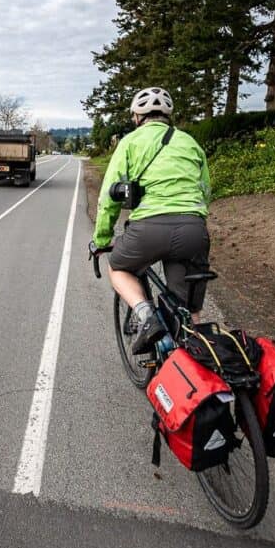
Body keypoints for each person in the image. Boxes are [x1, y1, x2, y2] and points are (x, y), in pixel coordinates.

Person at [91, 87, 211, 354]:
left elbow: (109, 195)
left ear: (137, 116)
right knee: (188, 311)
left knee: (118, 267)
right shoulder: (190, 142)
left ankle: (147, 318)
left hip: (148, 230)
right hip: (193, 229)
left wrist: (100, 239)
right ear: (168, 115)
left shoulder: (130, 142)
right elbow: (205, 191)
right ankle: (195, 362)